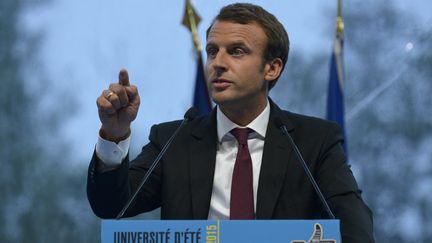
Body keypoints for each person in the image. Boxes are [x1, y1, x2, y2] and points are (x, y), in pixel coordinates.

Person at [87, 3, 374, 242]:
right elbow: (112, 205)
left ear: (272, 68)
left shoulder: (313, 141)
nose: (217, 63)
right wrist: (115, 134)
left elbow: (355, 230)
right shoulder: (174, 140)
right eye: (212, 51)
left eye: (236, 51)